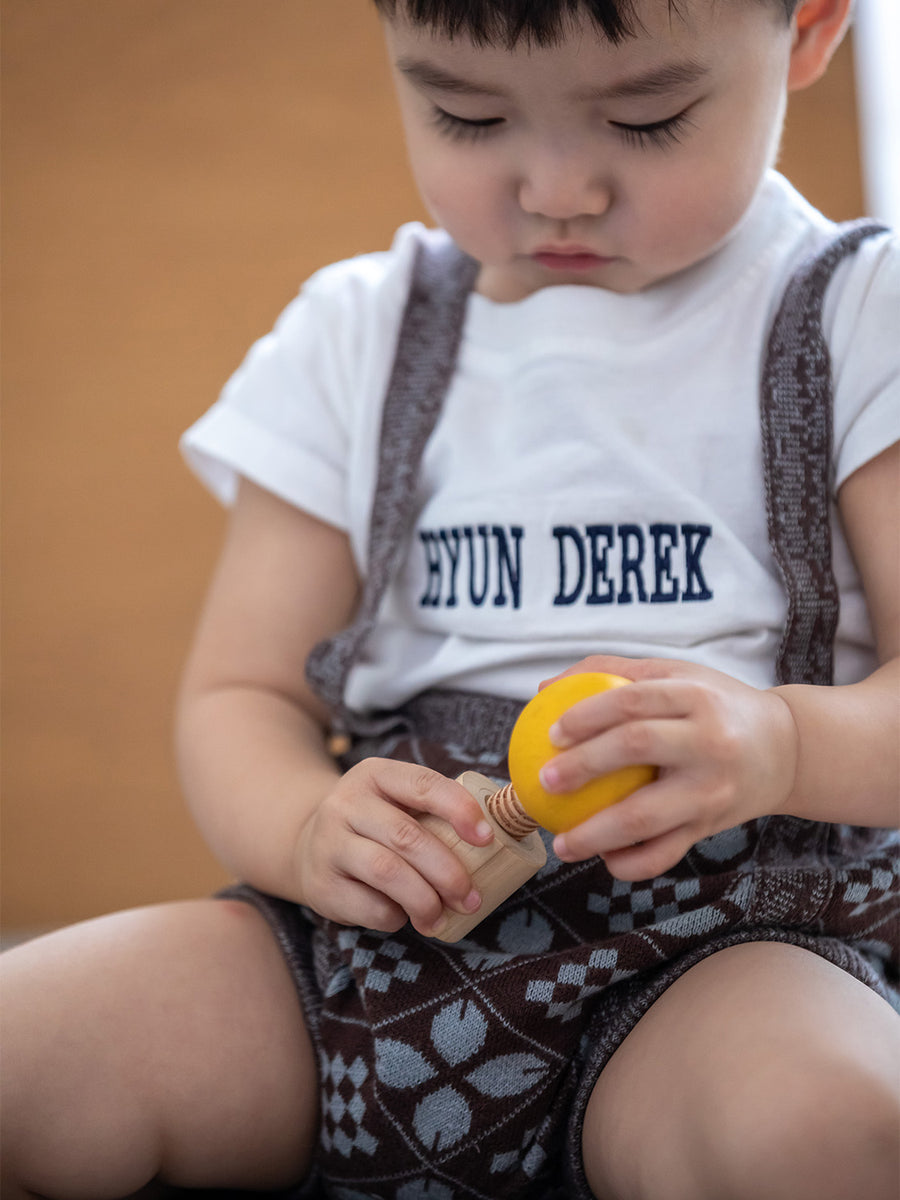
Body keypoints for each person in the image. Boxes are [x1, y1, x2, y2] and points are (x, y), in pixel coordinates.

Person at [2, 0, 898, 1196]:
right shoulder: (357, 338)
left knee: (822, 1125)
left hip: (720, 956)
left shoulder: (854, 314)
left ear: (808, 31)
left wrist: (780, 740)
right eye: (466, 114)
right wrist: (309, 832)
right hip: (358, 958)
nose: (560, 189)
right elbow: (240, 692)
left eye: (649, 117)